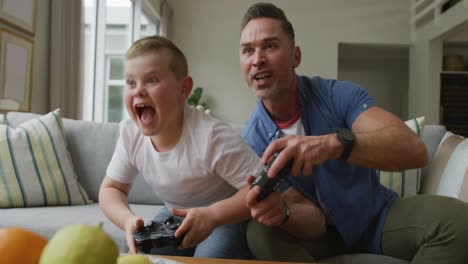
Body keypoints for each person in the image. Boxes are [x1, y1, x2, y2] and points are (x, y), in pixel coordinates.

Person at [239, 2, 468, 263]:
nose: (257, 59)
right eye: (248, 50)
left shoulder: (338, 95)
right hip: (318, 237)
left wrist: (334, 145)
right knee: (259, 232)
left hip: (376, 217)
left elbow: (414, 151)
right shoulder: (252, 139)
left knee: (459, 222)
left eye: (270, 46)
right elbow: (312, 222)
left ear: (296, 57)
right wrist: (283, 213)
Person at [99, 35, 262, 259]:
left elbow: (260, 188)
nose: (138, 91)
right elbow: (111, 189)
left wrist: (213, 215)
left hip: (224, 219)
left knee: (208, 257)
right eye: (130, 82)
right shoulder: (130, 134)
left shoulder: (212, 137)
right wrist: (127, 220)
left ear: (183, 89)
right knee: (139, 256)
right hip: (175, 213)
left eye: (152, 80)